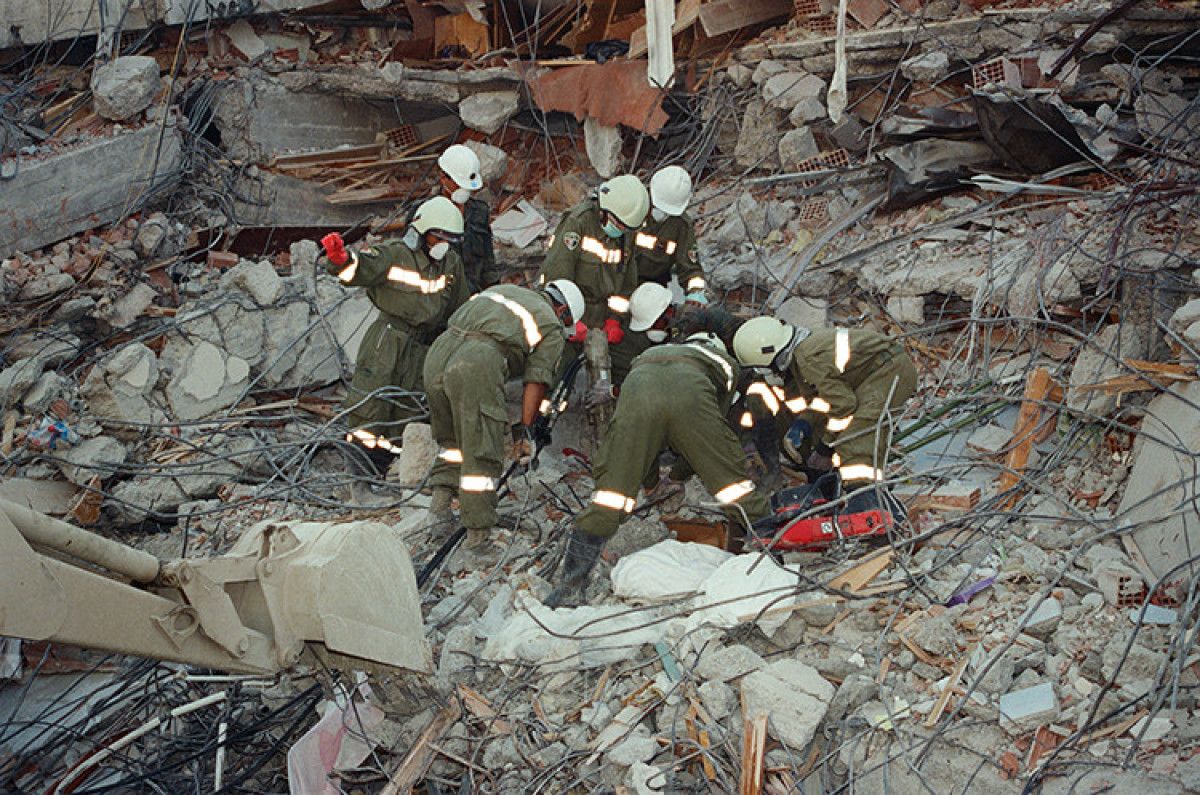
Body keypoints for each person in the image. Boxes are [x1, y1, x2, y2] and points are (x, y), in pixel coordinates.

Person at [547, 333, 770, 607]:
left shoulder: (650, 355)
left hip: (639, 387)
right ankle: (773, 560)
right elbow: (706, 438)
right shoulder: (725, 364)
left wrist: (651, 484)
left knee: (610, 497)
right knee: (733, 490)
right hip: (691, 395)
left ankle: (569, 588)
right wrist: (678, 477)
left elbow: (644, 445)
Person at [424, 279, 585, 551]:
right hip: (476, 362)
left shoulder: (504, 291)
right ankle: (478, 539)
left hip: (438, 353)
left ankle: (439, 512)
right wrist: (525, 429)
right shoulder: (551, 325)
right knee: (481, 449)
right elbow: (536, 381)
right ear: (563, 312)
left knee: (452, 442)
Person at [320, 196, 470, 469]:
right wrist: (341, 260)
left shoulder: (451, 265)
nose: (444, 246)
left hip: (423, 348)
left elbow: (461, 309)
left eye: (450, 240)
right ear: (422, 233)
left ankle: (395, 471)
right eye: (440, 238)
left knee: (409, 410)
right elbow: (361, 268)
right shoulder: (395, 255)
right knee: (371, 407)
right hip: (387, 342)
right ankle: (361, 477)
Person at [731, 318, 918, 499]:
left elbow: (844, 406)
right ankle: (846, 492)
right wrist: (805, 422)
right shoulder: (803, 351)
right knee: (845, 436)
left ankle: (865, 500)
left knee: (855, 439)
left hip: (890, 370)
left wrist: (825, 448)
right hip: (874, 372)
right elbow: (826, 399)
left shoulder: (808, 359)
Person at [539, 174, 650, 355]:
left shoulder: (626, 232)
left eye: (625, 228)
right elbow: (556, 276)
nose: (621, 230)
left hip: (603, 319)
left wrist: (615, 319)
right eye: (618, 224)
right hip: (571, 315)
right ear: (604, 210)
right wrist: (570, 321)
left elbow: (626, 285)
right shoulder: (578, 223)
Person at [631, 166, 707, 304]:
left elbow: (690, 267)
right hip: (618, 281)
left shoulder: (680, 225)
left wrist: (695, 293)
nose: (661, 212)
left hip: (652, 290)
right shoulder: (631, 206)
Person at [436, 144, 500, 291]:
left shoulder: (479, 212)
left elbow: (488, 263)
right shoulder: (425, 213)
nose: (464, 191)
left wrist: (494, 292)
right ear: (443, 178)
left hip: (474, 297)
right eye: (459, 184)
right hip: (444, 300)